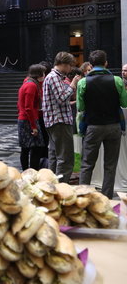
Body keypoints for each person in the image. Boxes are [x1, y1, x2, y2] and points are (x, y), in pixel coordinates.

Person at [77, 50, 127, 198]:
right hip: (113, 126)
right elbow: (124, 103)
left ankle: (82, 197)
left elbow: (81, 107)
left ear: (90, 65)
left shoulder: (83, 82)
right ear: (106, 63)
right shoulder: (117, 80)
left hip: (93, 126)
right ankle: (106, 198)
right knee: (110, 165)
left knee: (87, 164)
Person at [42, 52, 81, 183]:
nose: (71, 69)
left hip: (54, 121)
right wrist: (73, 84)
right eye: (70, 66)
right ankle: (61, 186)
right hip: (59, 121)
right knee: (65, 157)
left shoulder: (53, 77)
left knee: (54, 155)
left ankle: (51, 184)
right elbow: (62, 98)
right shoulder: (54, 77)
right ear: (63, 64)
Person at [17, 64, 46, 171]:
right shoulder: (31, 85)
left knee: (26, 148)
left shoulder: (28, 83)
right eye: (43, 73)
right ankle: (31, 171)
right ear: (39, 74)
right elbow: (28, 107)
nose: (44, 75)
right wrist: (33, 126)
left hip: (25, 118)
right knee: (36, 148)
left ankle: (26, 171)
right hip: (28, 120)